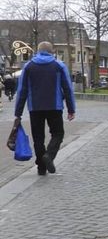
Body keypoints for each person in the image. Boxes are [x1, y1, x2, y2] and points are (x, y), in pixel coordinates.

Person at [13, 42, 76, 176]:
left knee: (38, 138)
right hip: (55, 106)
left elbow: (22, 90)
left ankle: (41, 167)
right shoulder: (59, 65)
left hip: (35, 108)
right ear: (51, 52)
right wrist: (71, 109)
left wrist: (18, 113)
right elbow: (68, 88)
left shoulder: (28, 66)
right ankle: (49, 155)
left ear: (38, 51)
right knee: (58, 133)